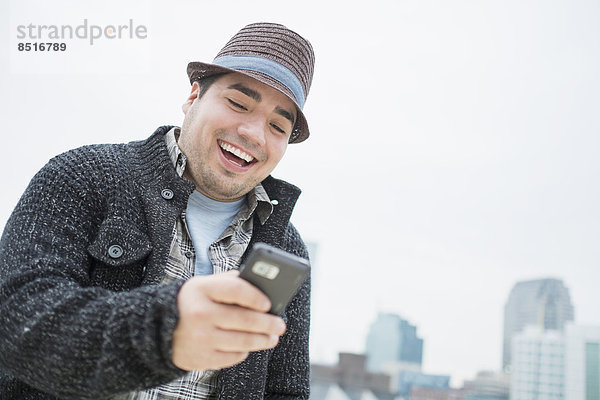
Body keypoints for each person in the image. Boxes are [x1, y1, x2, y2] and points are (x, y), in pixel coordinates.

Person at [0, 22, 315, 400]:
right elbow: (17, 322)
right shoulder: (83, 176)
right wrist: (166, 330)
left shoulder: (286, 247)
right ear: (193, 96)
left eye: (277, 126)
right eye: (238, 103)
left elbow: (285, 391)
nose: (253, 134)